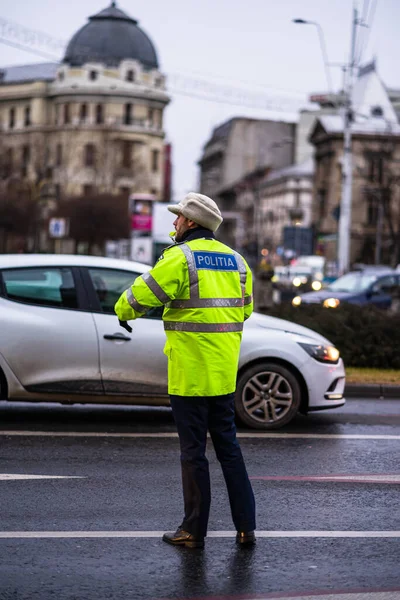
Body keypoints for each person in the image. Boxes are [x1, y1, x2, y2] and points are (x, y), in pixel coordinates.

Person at [114, 192, 256, 549]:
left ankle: (193, 530)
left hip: (190, 376)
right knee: (230, 451)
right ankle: (246, 529)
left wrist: (121, 311)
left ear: (191, 222)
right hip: (223, 375)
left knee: (193, 453)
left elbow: (138, 298)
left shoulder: (180, 258)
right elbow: (246, 310)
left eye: (178, 217)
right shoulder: (237, 261)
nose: (174, 222)